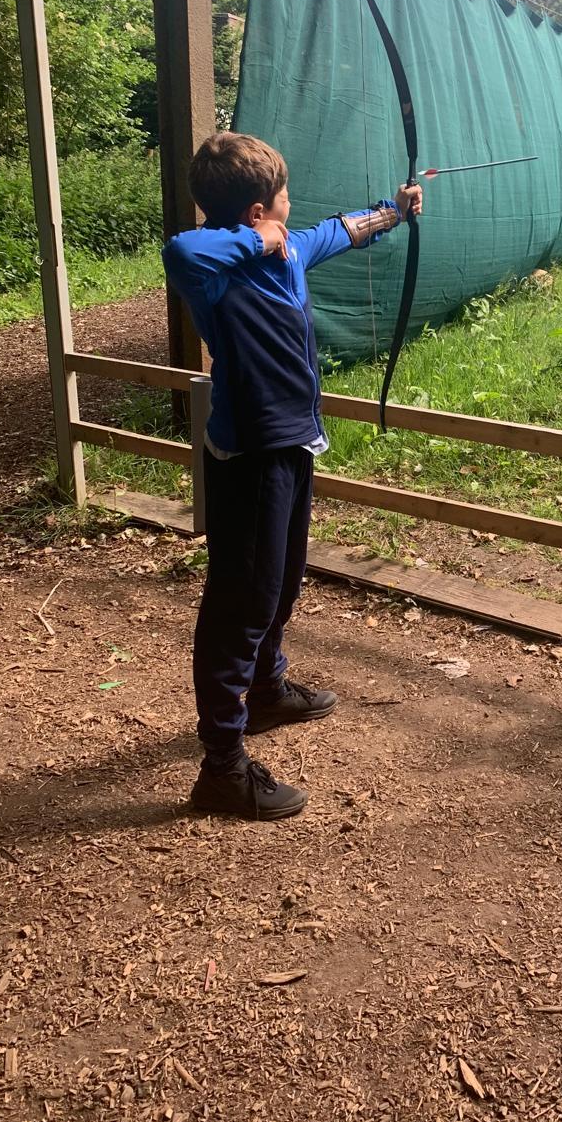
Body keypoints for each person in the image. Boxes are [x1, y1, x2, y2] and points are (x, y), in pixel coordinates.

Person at [162, 131, 423, 822]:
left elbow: (339, 231)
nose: (291, 207)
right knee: (240, 606)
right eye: (282, 199)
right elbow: (182, 249)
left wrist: (393, 211)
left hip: (292, 445)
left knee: (279, 585)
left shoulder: (290, 251)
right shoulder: (215, 270)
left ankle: (267, 691)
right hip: (250, 455)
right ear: (258, 213)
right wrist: (260, 240)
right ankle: (222, 768)